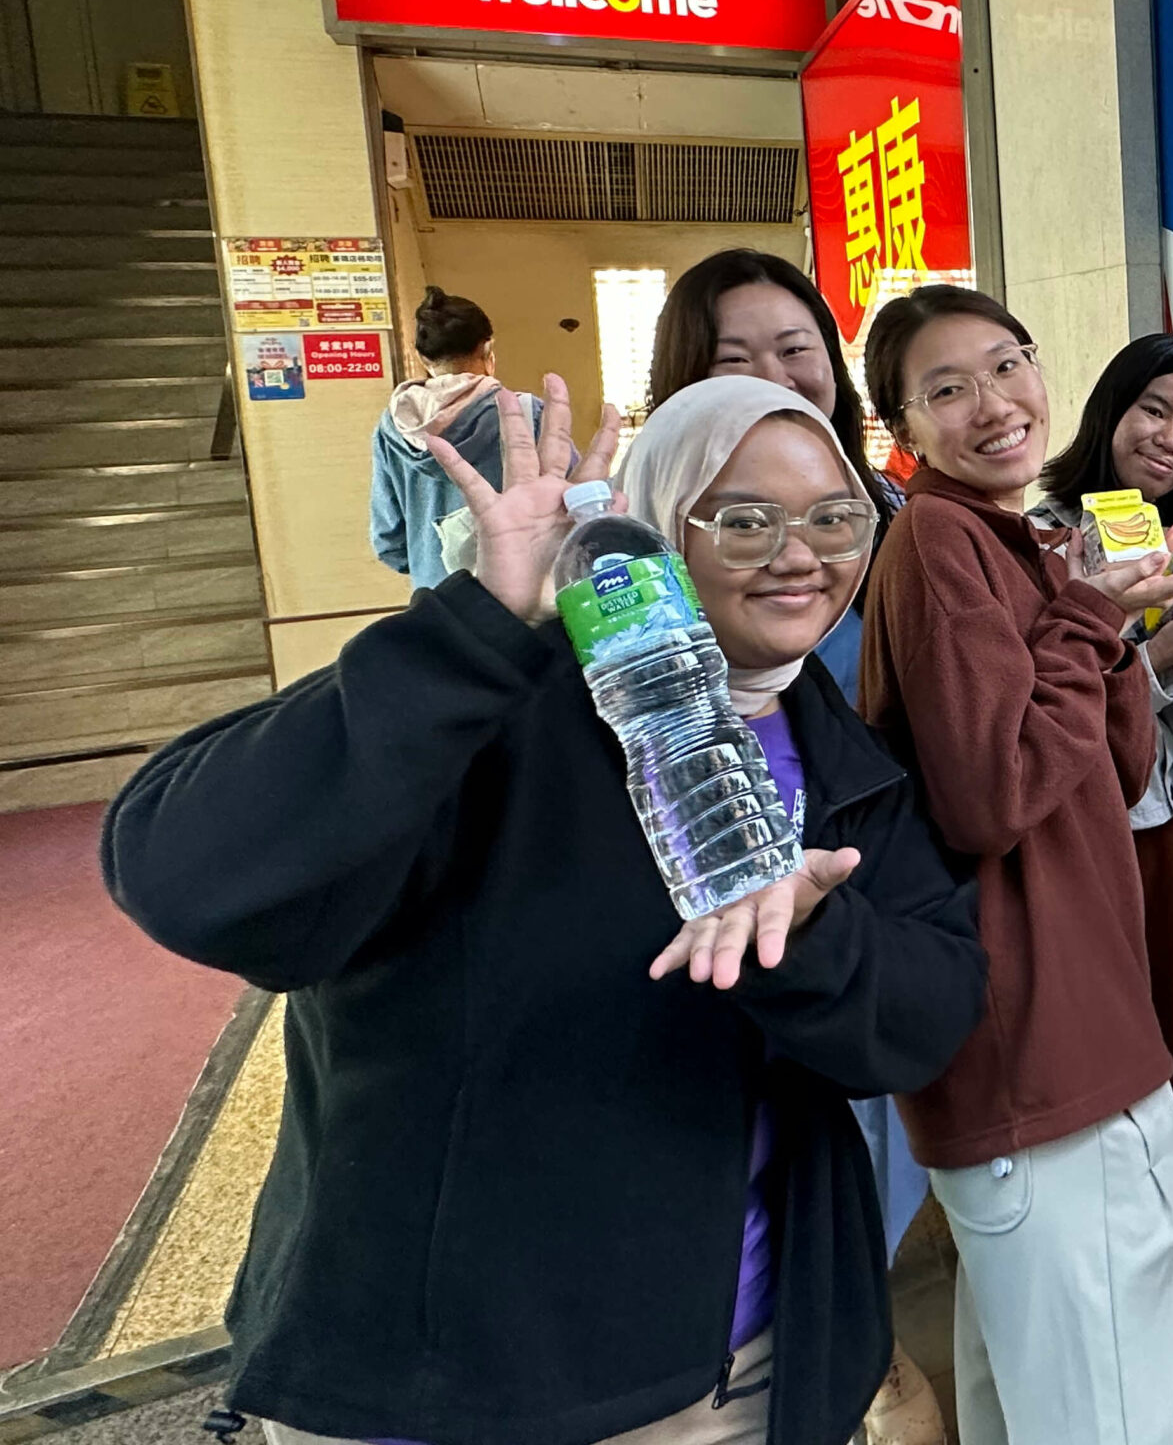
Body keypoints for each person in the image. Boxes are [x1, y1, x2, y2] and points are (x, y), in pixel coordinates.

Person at [104, 374, 986, 1445]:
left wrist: (811, 937)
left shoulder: (846, 761)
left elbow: (925, 1017)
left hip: (728, 1370)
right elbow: (179, 872)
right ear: (658, 530)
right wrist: (468, 630)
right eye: (743, 518)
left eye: (834, 517)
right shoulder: (492, 714)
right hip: (450, 1392)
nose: (799, 553)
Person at [857, 285, 1173, 1445]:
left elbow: (1112, 773)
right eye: (946, 389)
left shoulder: (1014, 541)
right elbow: (992, 795)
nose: (994, 402)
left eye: (1007, 363)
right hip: (1037, 1057)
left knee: (1027, 1394)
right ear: (902, 431)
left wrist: (1111, 625)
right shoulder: (936, 538)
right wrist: (1085, 620)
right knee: (1107, 1414)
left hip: (1077, 1025)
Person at [645, 248, 936, 1445]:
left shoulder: (890, 534)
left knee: (845, 1166)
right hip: (626, 1256)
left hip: (856, 911)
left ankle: (849, 1342)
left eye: (796, 351)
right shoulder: (594, 672)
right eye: (733, 360)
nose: (798, 556)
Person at [1033, 333, 1173, 1383]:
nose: (1170, 440)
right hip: (1075, 861)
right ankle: (1103, 1300)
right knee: (1094, 1094)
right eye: (1153, 411)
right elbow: (1044, 735)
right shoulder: (1036, 543)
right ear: (1109, 407)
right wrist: (1148, 663)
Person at [650, 248, 898, 687]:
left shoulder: (889, 505)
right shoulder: (642, 529)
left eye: (794, 349)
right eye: (732, 360)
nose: (771, 380)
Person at [369, 286, 538, 589]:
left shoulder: (391, 428)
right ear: (488, 349)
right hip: (522, 599)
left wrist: (434, 562)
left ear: (422, 357)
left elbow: (388, 540)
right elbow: (576, 511)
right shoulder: (524, 414)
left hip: (438, 605)